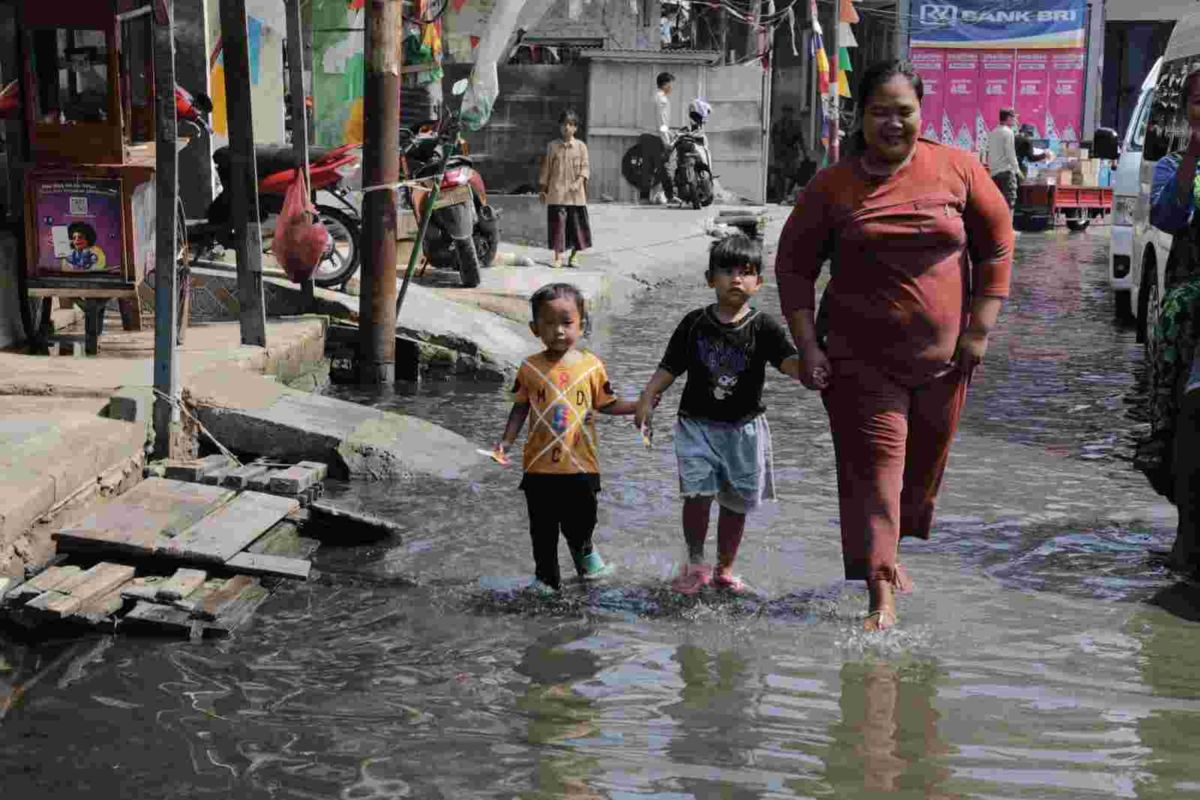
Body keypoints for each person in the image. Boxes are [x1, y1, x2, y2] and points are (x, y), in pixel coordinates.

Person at [774, 59, 1014, 630]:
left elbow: (998, 246)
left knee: (916, 480)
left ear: (921, 113)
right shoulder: (833, 186)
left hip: (946, 364)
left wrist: (978, 330)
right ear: (859, 117)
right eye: (879, 112)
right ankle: (881, 596)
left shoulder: (958, 169)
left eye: (903, 112)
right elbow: (792, 267)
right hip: (861, 365)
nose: (892, 124)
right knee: (878, 474)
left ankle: (888, 554)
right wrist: (808, 347)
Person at [634, 234, 804, 595]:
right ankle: (696, 563)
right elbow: (669, 367)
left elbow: (790, 364)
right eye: (726, 271)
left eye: (746, 272)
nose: (736, 279)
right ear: (710, 278)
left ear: (759, 282)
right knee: (697, 495)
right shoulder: (694, 323)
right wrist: (648, 396)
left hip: (745, 429)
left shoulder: (765, 327)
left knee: (736, 501)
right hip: (696, 425)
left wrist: (814, 366)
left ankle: (725, 568)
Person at [496, 283, 638, 596]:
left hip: (582, 467)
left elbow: (607, 403)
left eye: (567, 323)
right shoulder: (530, 367)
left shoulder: (592, 366)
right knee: (542, 531)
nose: (558, 331)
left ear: (581, 325)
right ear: (535, 328)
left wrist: (638, 407)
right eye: (549, 323)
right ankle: (546, 582)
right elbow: (520, 408)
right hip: (538, 469)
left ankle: (585, 555)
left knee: (583, 523)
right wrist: (505, 443)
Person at [1136, 67, 1200, 516]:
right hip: (1193, 285)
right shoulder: (1172, 166)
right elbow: (1167, 217)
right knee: (1175, 311)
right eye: (1199, 100)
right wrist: (1195, 153)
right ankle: (1161, 431)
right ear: (1186, 110)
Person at [538, 109, 592, 269]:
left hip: (576, 197)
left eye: (570, 124)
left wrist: (579, 181)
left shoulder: (581, 147)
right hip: (557, 194)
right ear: (560, 127)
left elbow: (586, 168)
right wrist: (543, 189)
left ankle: (574, 257)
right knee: (557, 227)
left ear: (575, 128)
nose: (566, 128)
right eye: (563, 124)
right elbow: (546, 169)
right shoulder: (552, 146)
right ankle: (558, 257)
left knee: (576, 227)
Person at [638, 72, 676, 205]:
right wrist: (667, 141)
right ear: (666, 84)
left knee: (646, 169)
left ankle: (643, 198)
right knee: (663, 168)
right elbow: (661, 123)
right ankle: (670, 196)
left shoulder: (651, 98)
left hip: (645, 136)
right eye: (671, 84)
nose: (672, 87)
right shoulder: (662, 100)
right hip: (655, 138)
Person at [770, 103, 810, 202]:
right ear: (783, 112)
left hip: (792, 154)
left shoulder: (796, 125)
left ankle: (787, 194)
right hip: (780, 154)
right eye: (785, 112)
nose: (787, 114)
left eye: (789, 112)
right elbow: (773, 140)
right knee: (780, 176)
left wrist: (805, 154)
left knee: (793, 175)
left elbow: (801, 140)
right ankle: (780, 197)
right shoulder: (777, 125)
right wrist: (774, 153)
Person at [986, 108, 1021, 210]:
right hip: (1006, 172)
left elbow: (989, 152)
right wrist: (1017, 170)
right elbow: (1010, 154)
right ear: (1008, 118)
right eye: (1014, 118)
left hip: (994, 172)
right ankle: (1007, 225)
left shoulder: (993, 132)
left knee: (996, 203)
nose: (1015, 121)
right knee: (1009, 203)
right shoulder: (1008, 132)